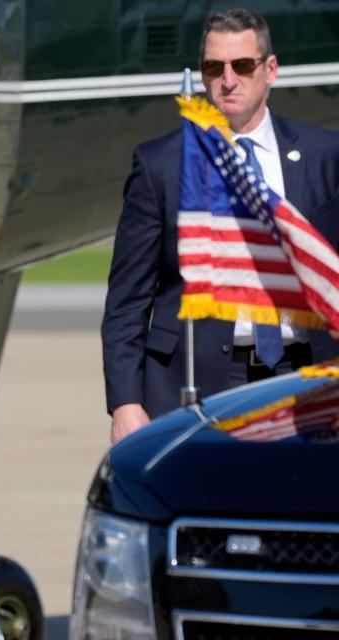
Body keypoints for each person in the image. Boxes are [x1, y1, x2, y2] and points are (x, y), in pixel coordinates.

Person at [102, 8, 339, 444]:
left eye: (242, 66)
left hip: (307, 379)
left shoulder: (326, 156)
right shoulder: (162, 165)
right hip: (201, 381)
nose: (228, 80)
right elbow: (126, 303)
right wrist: (125, 404)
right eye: (214, 67)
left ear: (270, 70)